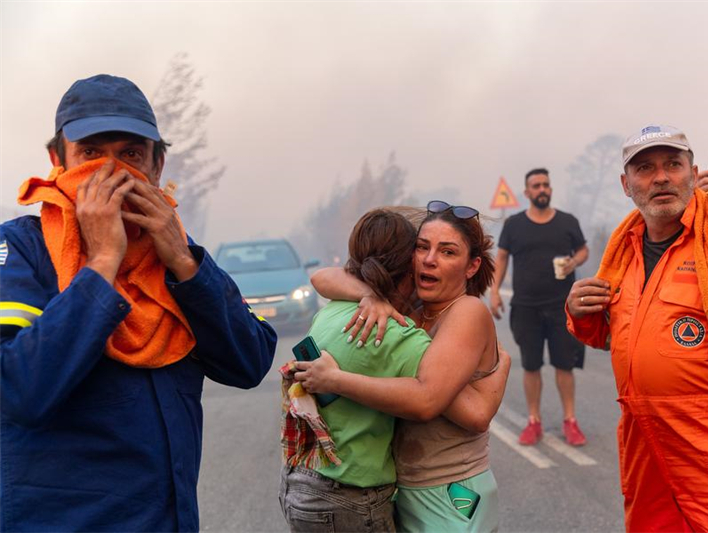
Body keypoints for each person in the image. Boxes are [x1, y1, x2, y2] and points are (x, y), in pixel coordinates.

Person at [0, 74, 277, 531]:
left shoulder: (174, 253)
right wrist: (103, 260)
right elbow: (21, 390)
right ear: (57, 160)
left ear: (157, 165)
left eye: (130, 154)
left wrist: (187, 266)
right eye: (91, 154)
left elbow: (249, 362)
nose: (111, 172)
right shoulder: (21, 252)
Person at [566, 124, 708, 532]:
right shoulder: (623, 248)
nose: (661, 177)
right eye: (644, 168)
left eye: (673, 165)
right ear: (626, 185)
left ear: (693, 173)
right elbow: (609, 335)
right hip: (642, 441)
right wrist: (577, 310)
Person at [296, 201, 508, 533]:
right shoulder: (414, 308)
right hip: (408, 492)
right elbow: (321, 277)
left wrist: (337, 380)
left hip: (453, 492)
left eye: (448, 252)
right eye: (422, 247)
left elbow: (430, 401)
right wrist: (370, 294)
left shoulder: (466, 311)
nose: (429, 259)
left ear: (471, 266)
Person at [280, 208, 429, 532]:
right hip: (350, 499)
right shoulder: (401, 338)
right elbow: (432, 401)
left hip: (301, 485)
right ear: (408, 268)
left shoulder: (332, 310)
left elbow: (323, 276)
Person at [490, 168, 589, 446]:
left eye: (546, 184)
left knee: (564, 366)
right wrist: (495, 291)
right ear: (527, 192)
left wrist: (575, 262)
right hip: (526, 307)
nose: (542, 189)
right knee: (531, 366)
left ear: (551, 189)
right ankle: (533, 421)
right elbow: (501, 258)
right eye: (536, 185)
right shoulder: (514, 225)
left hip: (562, 307)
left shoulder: (568, 222)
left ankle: (570, 421)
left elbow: (583, 250)